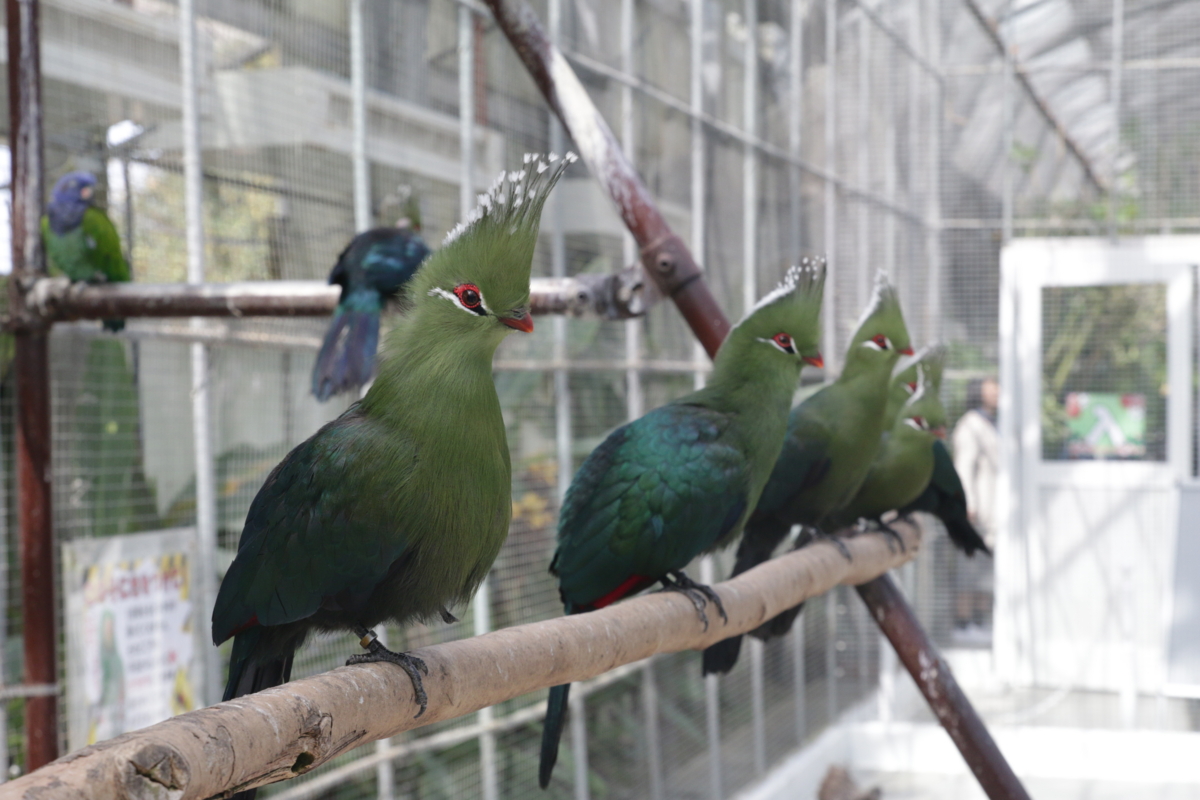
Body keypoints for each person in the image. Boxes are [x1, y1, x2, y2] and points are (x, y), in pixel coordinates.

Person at [950, 376, 999, 636]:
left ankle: (980, 622)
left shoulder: (993, 423)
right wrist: (967, 502)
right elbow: (963, 467)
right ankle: (963, 623)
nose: (997, 392)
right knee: (969, 569)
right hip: (975, 510)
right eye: (992, 388)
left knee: (986, 570)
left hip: (994, 511)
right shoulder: (970, 425)